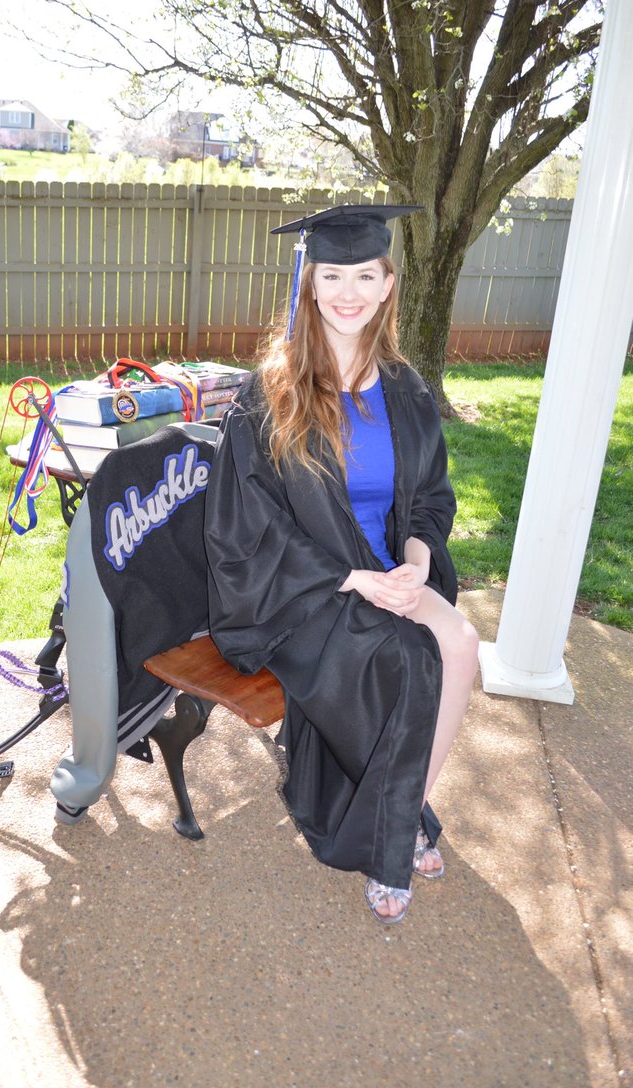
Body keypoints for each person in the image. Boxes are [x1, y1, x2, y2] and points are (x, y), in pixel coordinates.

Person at [203, 204, 479, 924]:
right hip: (300, 588)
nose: (348, 291)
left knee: (460, 643)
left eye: (365, 274)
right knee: (409, 661)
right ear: (310, 283)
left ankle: (403, 809)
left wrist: (417, 560)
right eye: (333, 275)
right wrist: (349, 577)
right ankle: (396, 841)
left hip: (388, 570)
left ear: (388, 285)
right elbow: (244, 525)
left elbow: (431, 501)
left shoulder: (407, 392)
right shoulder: (271, 394)